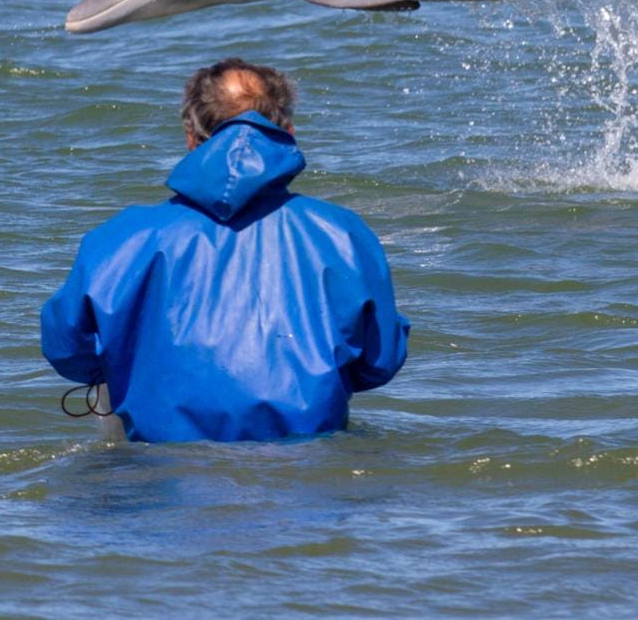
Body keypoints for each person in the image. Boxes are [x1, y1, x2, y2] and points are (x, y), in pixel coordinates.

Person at [40, 58, 409, 443]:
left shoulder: (120, 237)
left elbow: (67, 350)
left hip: (164, 472)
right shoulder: (342, 232)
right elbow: (379, 363)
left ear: (190, 135)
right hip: (306, 470)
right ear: (288, 130)